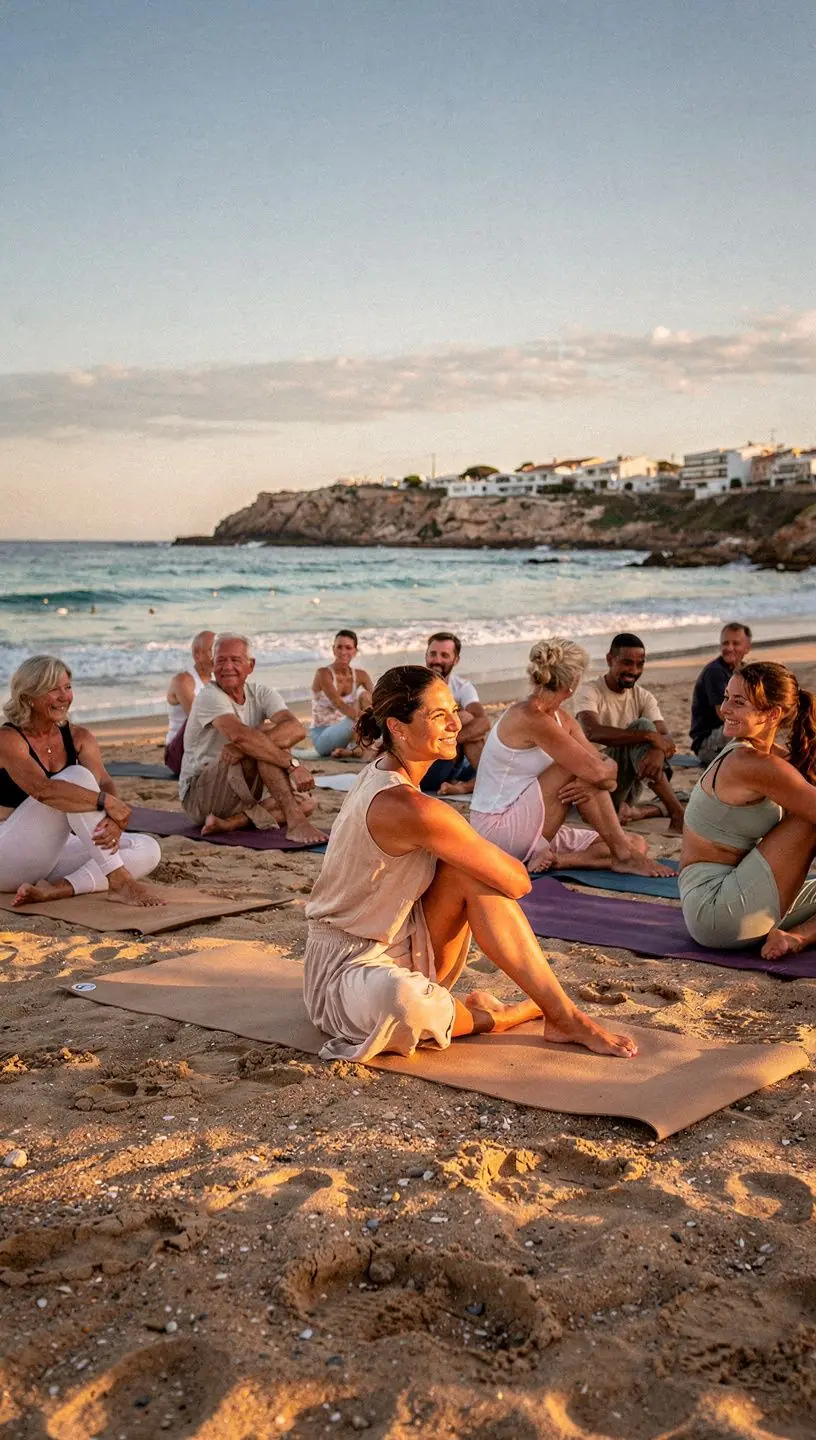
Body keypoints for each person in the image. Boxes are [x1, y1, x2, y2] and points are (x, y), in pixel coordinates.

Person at [303, 664, 640, 1064]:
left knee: (469, 871)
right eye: (438, 715)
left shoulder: (382, 772)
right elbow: (518, 881)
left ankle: (563, 1015)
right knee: (404, 1005)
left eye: (454, 710)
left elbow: (509, 881)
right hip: (346, 971)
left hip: (399, 946)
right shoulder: (409, 806)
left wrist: (465, 853)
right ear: (397, 727)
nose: (456, 723)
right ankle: (500, 1017)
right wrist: (467, 844)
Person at [470, 640, 670, 876]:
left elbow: (607, 778)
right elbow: (599, 771)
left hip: (536, 825)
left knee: (637, 843)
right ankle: (624, 857)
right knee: (576, 768)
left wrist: (594, 778)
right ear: (573, 681)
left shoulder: (562, 719)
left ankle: (560, 860)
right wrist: (594, 776)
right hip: (497, 832)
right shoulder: (527, 717)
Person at [680, 661, 816, 961]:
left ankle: (796, 937)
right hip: (716, 910)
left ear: (773, 714)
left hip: (733, 895)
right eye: (727, 697)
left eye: (738, 702)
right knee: (809, 820)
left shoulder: (769, 759)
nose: (724, 708)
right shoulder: (749, 763)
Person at [0, 656, 162, 907]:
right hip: (7, 857)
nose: (64, 696)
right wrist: (105, 802)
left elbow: (105, 781)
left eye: (68, 687)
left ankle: (60, 889)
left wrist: (113, 822)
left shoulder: (79, 737)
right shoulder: (8, 739)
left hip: (49, 857)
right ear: (28, 696)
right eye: (54, 689)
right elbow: (44, 790)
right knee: (77, 777)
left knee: (148, 848)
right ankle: (119, 882)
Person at [179, 633, 325, 844]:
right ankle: (295, 823)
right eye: (221, 660)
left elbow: (296, 728)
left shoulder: (261, 693)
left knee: (307, 804)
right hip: (200, 796)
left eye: (235, 660)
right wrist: (293, 766)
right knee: (258, 746)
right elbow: (240, 735)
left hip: (241, 790)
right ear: (212, 665)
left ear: (251, 665)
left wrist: (245, 745)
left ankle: (231, 823)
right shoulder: (209, 696)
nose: (227, 667)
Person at [576, 633, 685, 832]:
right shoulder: (590, 691)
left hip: (627, 786)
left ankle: (637, 811)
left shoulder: (644, 697)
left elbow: (666, 738)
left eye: (639, 664)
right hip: (596, 782)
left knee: (689, 796)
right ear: (610, 660)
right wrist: (649, 737)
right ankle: (677, 813)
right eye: (627, 663)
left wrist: (658, 750)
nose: (633, 671)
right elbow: (593, 732)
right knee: (642, 726)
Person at [421, 632, 489, 794]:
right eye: (433, 654)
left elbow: (483, 721)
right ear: (426, 655)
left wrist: (448, 740)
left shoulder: (461, 687)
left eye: (444, 655)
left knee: (474, 733)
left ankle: (467, 785)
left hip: (451, 760)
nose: (437, 660)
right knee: (467, 724)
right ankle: (476, 784)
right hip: (422, 766)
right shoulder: (412, 685)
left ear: (456, 660)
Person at [690, 623, 752, 764]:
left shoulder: (744, 670)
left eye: (735, 643)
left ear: (747, 648)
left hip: (729, 733)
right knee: (744, 726)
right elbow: (723, 714)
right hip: (707, 744)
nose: (729, 648)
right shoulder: (715, 672)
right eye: (725, 643)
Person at [309, 630, 373, 757]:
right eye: (339, 647)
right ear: (333, 649)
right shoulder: (323, 673)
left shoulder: (361, 675)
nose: (343, 652)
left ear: (355, 651)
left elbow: (377, 699)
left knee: (366, 697)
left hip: (351, 731)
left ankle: (352, 750)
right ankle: (361, 747)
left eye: (348, 648)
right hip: (323, 736)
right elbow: (338, 704)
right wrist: (366, 720)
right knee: (357, 720)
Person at [164, 630, 215, 776]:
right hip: (179, 752)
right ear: (197, 654)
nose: (217, 657)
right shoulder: (183, 680)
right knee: (203, 715)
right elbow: (198, 720)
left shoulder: (217, 682)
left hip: (206, 748)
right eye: (212, 651)